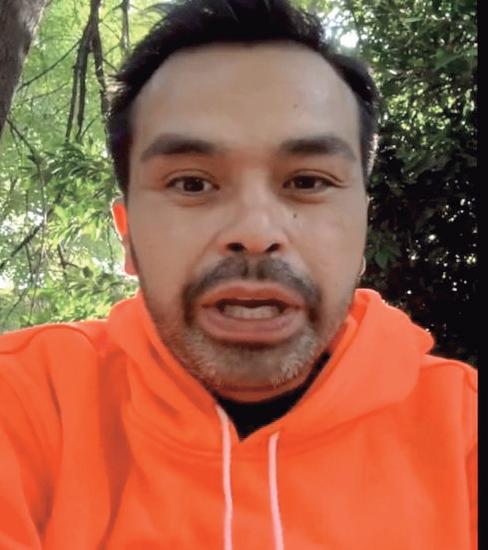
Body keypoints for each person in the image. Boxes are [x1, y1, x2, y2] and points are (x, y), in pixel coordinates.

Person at [0, 0, 477, 548]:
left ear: (362, 230)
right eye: (192, 184)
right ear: (127, 235)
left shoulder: (464, 435)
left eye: (307, 182)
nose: (255, 231)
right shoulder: (23, 406)